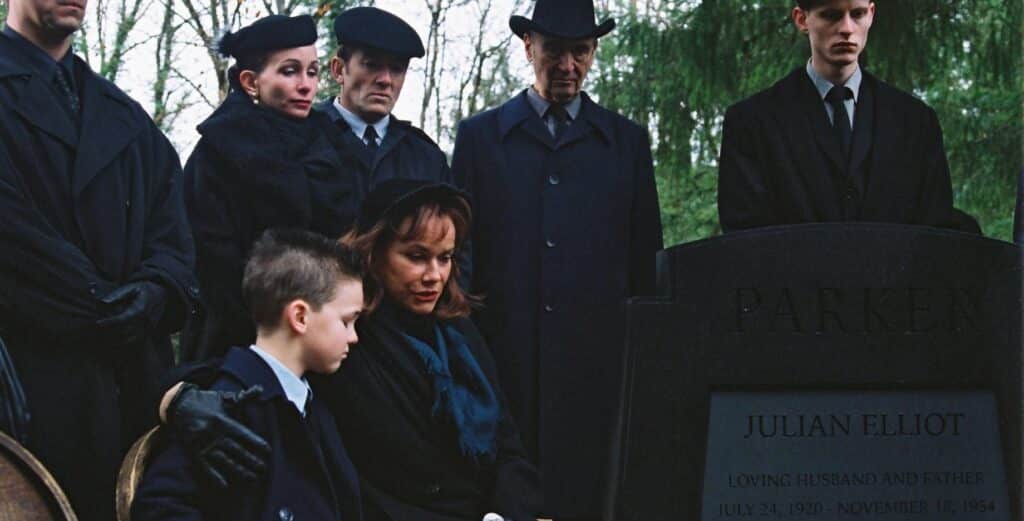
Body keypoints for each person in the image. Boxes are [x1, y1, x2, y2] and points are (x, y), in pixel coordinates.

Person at [162, 180, 542, 521]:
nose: (434, 275)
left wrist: (501, 514)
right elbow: (258, 363)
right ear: (375, 251)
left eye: (445, 258)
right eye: (416, 256)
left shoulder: (460, 334)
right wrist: (174, 399)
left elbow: (508, 448)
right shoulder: (342, 335)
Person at [450, 0, 663, 517]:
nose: (568, 66)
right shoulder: (480, 138)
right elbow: (461, 257)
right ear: (529, 47)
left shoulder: (626, 143)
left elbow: (646, 264)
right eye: (554, 51)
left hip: (597, 368)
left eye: (581, 52)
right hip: (504, 365)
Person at [0, 0, 196, 517]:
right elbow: (13, 237)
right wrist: (99, 301)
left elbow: (173, 235)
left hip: (127, 391)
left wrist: (155, 290)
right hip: (25, 389)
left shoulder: (124, 115)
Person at [133, 229, 365, 521]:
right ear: (300, 317)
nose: (354, 336)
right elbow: (159, 506)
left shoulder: (311, 403)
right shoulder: (228, 405)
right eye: (346, 321)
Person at [182, 15, 357, 361]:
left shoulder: (332, 141)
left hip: (331, 337)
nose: (306, 85)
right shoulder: (218, 151)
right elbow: (212, 262)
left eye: (312, 72)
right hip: (242, 336)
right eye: (290, 71)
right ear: (250, 82)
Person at [717, 0, 955, 232]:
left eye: (858, 14)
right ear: (802, 19)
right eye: (831, 15)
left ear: (871, 14)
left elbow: (936, 229)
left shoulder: (916, 122)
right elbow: (745, 234)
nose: (847, 29)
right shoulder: (751, 122)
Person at [318, 7, 454, 202]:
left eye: (397, 69)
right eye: (371, 65)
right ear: (339, 70)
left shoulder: (425, 157)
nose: (385, 80)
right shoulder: (303, 138)